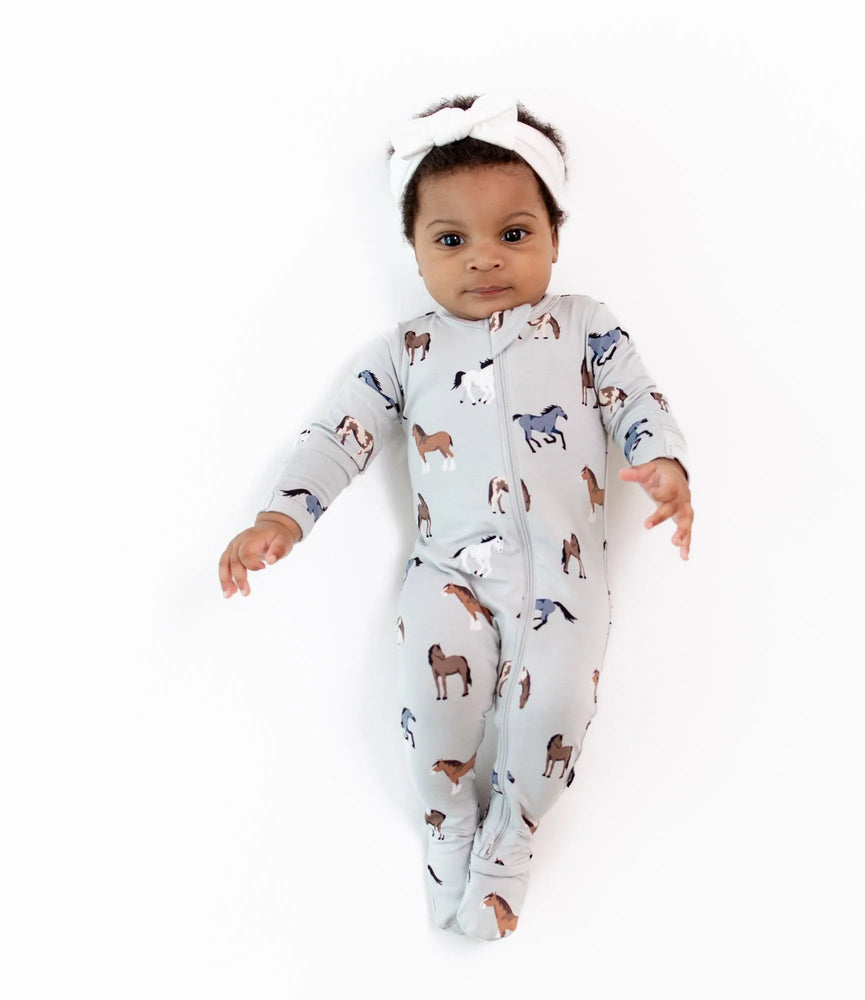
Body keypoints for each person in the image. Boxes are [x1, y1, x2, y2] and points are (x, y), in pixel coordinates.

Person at [218, 94, 694, 940]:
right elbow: (336, 435)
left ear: (554, 239)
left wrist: (662, 464)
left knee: (553, 714)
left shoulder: (585, 326)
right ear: (414, 250)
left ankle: (509, 846)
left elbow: (639, 399)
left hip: (566, 580)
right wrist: (282, 519)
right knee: (433, 707)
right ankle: (448, 827)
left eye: (513, 233)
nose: (484, 258)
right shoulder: (406, 353)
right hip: (448, 574)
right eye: (450, 240)